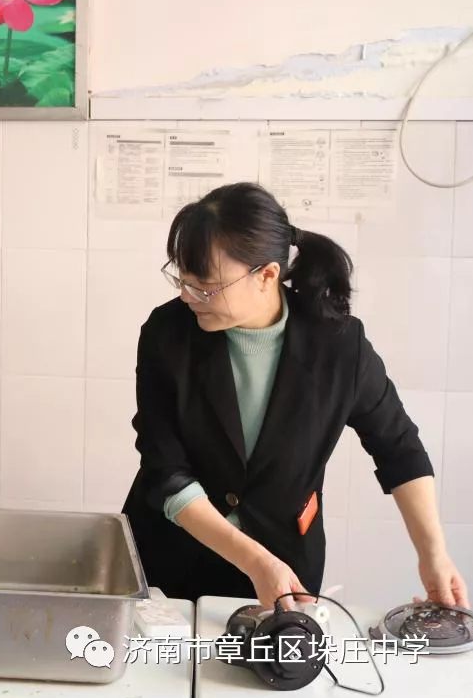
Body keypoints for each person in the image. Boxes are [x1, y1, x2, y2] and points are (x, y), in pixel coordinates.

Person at [121, 182, 468, 611]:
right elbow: (165, 471)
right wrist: (253, 559)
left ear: (267, 275)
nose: (187, 297)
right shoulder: (167, 334)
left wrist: (432, 553)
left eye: (205, 287)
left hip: (285, 563)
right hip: (172, 557)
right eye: (182, 280)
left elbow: (399, 448)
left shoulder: (339, 345)